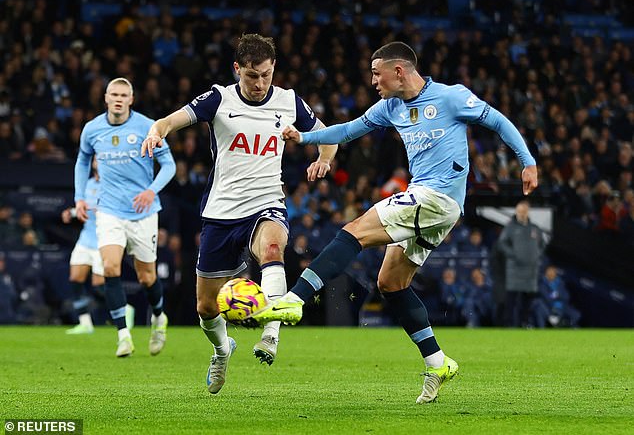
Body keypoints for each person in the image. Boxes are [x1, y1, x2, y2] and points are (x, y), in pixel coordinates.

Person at [250, 41, 538, 404]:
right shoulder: (390, 107)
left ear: (398, 71)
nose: (372, 81)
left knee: (354, 231)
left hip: (437, 198)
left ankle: (294, 299)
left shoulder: (450, 98)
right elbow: (348, 130)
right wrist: (304, 137)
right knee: (390, 282)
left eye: (376, 73)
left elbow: (497, 120)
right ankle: (438, 362)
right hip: (430, 205)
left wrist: (527, 161)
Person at [141, 33, 337, 394]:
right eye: (251, 76)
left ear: (273, 68)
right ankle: (221, 350)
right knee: (205, 307)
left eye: (265, 74)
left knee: (274, 250)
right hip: (221, 212)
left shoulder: (290, 102)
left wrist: (323, 160)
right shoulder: (219, 98)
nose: (260, 83)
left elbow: (330, 135)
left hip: (266, 202)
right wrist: (156, 134)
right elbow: (168, 122)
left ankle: (271, 334)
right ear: (237, 70)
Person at [74, 77, 176, 357]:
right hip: (108, 210)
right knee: (109, 268)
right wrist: (79, 197)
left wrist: (151, 191)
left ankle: (159, 317)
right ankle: (123, 335)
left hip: (143, 213)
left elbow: (169, 165)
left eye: (123, 95)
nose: (118, 99)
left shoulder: (147, 126)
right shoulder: (92, 129)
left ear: (131, 99)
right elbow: (82, 161)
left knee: (146, 277)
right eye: (113, 94)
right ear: (105, 97)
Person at [62, 159, 103, 334]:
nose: (97, 161)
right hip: (86, 238)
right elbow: (84, 207)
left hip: (105, 239)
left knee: (99, 285)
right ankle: (85, 323)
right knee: (76, 279)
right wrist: (71, 212)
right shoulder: (88, 184)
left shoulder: (113, 184)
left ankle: (125, 308)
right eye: (95, 159)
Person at [498, 200, 545, 327]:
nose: (521, 214)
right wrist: (512, 254)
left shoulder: (535, 228)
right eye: (519, 211)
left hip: (530, 270)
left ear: (528, 212)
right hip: (515, 269)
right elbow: (502, 243)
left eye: (523, 211)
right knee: (511, 299)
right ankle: (508, 324)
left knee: (528, 299)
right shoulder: (510, 228)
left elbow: (542, 244)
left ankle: (524, 322)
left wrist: (536, 255)